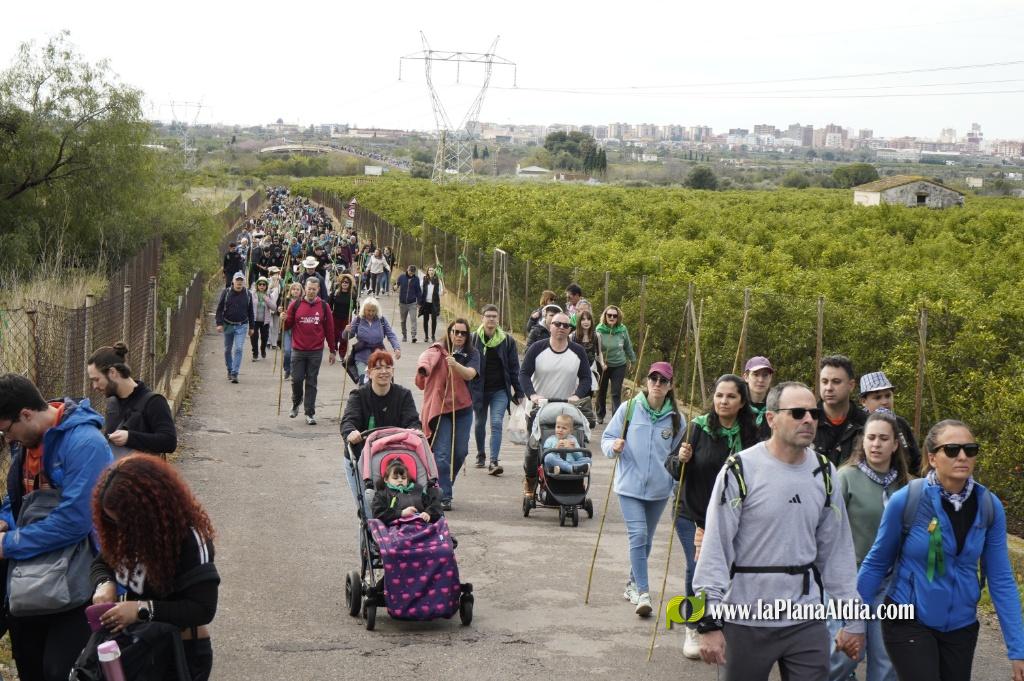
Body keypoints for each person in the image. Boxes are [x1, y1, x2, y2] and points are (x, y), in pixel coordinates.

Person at [692, 381, 865, 681]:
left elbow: (837, 552)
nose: (809, 420)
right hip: (745, 617)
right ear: (771, 419)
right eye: (798, 413)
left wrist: (853, 619)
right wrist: (708, 621)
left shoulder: (825, 473)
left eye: (813, 413)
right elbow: (715, 548)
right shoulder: (739, 470)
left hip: (805, 617)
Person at [857, 419, 1024, 681]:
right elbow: (876, 563)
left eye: (970, 449)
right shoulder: (907, 500)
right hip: (907, 619)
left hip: (962, 625)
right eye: (952, 449)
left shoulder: (989, 506)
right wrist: (854, 623)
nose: (962, 456)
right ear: (932, 458)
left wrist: (1018, 650)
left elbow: (1001, 578)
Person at [0, 373, 113, 681]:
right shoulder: (26, 441)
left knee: (60, 670)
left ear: (26, 414)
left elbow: (74, 521)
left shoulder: (86, 444)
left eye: (7, 430)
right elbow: (19, 498)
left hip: (77, 577)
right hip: (31, 573)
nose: (7, 439)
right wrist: (5, 519)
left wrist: (8, 543)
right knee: (29, 663)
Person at [91, 455, 220, 681]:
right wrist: (104, 583)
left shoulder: (189, 540)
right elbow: (103, 562)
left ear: (148, 513)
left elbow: (202, 608)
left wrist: (141, 610)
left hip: (177, 653)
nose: (120, 530)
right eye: (113, 522)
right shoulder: (125, 529)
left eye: (125, 523)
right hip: (136, 646)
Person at [667, 373, 758, 659]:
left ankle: (725, 625)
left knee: (731, 572)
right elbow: (672, 467)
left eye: (731, 396)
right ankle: (693, 626)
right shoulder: (697, 427)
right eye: (719, 395)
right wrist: (681, 459)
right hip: (693, 514)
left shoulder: (752, 433)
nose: (723, 401)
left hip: (735, 517)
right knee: (698, 569)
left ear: (742, 401)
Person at [827, 411, 911, 681]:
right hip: (850, 581)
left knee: (887, 661)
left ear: (895, 445)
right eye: (871, 437)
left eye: (883, 439)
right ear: (862, 441)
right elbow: (827, 530)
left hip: (891, 583)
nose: (876, 444)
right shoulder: (845, 477)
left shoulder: (906, 485)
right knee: (844, 655)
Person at [601, 361, 684, 617]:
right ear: (646, 381)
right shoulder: (629, 408)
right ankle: (644, 593)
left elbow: (676, 456)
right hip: (629, 486)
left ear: (670, 386)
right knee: (638, 535)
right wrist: (613, 446)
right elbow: (606, 438)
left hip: (659, 489)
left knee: (646, 541)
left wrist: (677, 478)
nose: (657, 384)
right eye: (653, 378)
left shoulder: (677, 419)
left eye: (663, 380)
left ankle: (631, 584)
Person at [520, 311, 593, 500]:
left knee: (569, 445)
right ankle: (530, 480)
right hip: (539, 408)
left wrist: (577, 395)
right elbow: (524, 374)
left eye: (565, 325)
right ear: (550, 326)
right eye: (557, 324)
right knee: (534, 448)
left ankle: (569, 483)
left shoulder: (577, 351)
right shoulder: (537, 348)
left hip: (565, 408)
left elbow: (586, 378)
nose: (561, 328)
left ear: (570, 330)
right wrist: (533, 395)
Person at [415, 318, 480, 511]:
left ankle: (443, 482)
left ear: (467, 336)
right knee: (442, 454)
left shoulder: (473, 353)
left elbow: (470, 374)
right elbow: (425, 360)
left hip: (463, 409)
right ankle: (444, 496)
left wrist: (455, 365)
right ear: (449, 332)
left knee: (460, 452)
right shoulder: (437, 350)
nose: (459, 336)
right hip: (441, 408)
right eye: (455, 332)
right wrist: (423, 370)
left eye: (463, 333)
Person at [87, 342, 177, 458]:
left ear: (112, 372)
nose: (94, 386)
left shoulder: (154, 402)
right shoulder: (112, 404)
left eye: (96, 379)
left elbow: (169, 442)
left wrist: (130, 437)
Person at [471, 304, 523, 475]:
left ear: (498, 319)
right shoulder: (473, 339)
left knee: (496, 423)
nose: (491, 319)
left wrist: (519, 391)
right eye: (488, 316)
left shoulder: (507, 341)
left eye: (494, 316)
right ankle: (481, 455)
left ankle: (494, 461)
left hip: (500, 390)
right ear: (482, 318)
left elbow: (514, 368)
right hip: (478, 390)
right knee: (479, 423)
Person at [283, 277, 336, 425]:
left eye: (314, 289)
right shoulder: (295, 305)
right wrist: (284, 319)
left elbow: (329, 330)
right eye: (309, 288)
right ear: (304, 288)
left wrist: (332, 350)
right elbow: (287, 326)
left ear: (318, 289)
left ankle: (309, 413)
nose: (311, 291)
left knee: (311, 381)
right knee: (296, 379)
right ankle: (296, 402)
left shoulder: (324, 306)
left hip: (315, 351)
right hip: (298, 349)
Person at [858, 371, 922, 475]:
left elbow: (916, 460)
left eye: (888, 396)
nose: (885, 402)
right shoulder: (858, 426)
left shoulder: (900, 423)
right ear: (863, 401)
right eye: (877, 397)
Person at [814, 354, 866, 466]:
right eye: (824, 381)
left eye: (836, 381)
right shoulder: (808, 420)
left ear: (851, 385)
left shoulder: (866, 424)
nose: (829, 388)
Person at [595, 305, 636, 424]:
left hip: (619, 365)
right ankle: (600, 414)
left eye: (615, 316)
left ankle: (616, 418)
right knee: (601, 391)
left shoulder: (622, 330)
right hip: (603, 365)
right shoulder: (599, 330)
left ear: (618, 317)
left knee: (616, 392)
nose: (612, 317)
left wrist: (633, 360)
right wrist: (599, 361)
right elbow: (595, 349)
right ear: (605, 316)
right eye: (609, 315)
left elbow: (628, 346)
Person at [371, 459, 442, 525]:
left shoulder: (417, 492)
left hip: (420, 525)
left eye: (403, 478)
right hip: (394, 528)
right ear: (386, 480)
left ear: (407, 480)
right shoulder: (382, 494)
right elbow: (378, 513)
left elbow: (434, 506)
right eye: (395, 478)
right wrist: (401, 513)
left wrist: (428, 513)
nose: (400, 480)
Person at [214, 272, 254, 384]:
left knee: (239, 348)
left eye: (241, 280)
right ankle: (229, 369)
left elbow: (251, 311)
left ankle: (235, 373)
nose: (239, 282)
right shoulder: (226, 292)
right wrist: (219, 323)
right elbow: (219, 309)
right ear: (233, 281)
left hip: (242, 325)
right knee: (227, 349)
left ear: (244, 282)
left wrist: (252, 327)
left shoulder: (248, 294)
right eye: (237, 280)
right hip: (228, 324)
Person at [346, 296, 402, 376]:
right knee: (364, 380)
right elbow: (347, 336)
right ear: (364, 310)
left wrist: (397, 348)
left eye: (373, 311)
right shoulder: (358, 320)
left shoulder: (382, 320)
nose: (371, 313)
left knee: (380, 378)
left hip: (379, 356)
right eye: (368, 310)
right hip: (362, 356)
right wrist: (346, 331)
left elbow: (391, 335)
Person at [742, 356, 774, 441]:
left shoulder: (776, 407)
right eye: (756, 374)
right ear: (746, 377)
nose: (760, 380)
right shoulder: (739, 405)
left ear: (770, 378)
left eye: (765, 375)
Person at [328, 273, 357, 359]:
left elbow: (356, 307)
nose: (344, 283)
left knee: (344, 337)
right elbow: (329, 304)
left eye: (347, 282)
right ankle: (334, 349)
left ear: (349, 284)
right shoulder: (335, 293)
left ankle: (342, 354)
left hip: (346, 319)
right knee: (335, 335)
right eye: (343, 282)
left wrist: (357, 308)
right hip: (335, 317)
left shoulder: (352, 295)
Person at [249, 276, 277, 361]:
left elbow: (274, 308)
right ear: (257, 285)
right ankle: (255, 354)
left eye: (264, 284)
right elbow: (248, 306)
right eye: (260, 284)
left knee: (264, 338)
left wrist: (266, 299)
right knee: (254, 337)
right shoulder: (252, 295)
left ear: (266, 286)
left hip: (265, 321)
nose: (262, 286)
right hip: (254, 320)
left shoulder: (269, 295)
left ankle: (263, 349)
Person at [279, 281, 302, 380]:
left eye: (297, 289)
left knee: (294, 352)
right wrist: (280, 312)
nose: (295, 291)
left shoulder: (303, 302)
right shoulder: (285, 300)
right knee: (287, 351)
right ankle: (287, 369)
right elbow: (280, 311)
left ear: (301, 291)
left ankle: (293, 371)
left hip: (298, 330)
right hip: (287, 329)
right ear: (290, 290)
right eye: (293, 289)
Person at [396, 265, 422, 343]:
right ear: (407, 270)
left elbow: (418, 291)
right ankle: (404, 336)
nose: (411, 273)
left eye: (413, 272)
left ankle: (413, 336)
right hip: (402, 303)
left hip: (412, 303)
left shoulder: (416, 279)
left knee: (413, 319)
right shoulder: (402, 277)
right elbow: (396, 284)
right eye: (410, 271)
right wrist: (395, 287)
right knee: (403, 320)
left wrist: (419, 302)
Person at [418, 266, 444, 342]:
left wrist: (443, 292)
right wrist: (420, 300)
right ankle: (426, 336)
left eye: (432, 270)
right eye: (430, 270)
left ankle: (433, 336)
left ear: (434, 272)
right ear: (428, 271)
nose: (431, 271)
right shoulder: (424, 279)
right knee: (425, 319)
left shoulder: (438, 280)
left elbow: (440, 292)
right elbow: (420, 289)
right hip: (426, 303)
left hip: (434, 303)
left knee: (434, 319)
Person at [266, 266, 283, 349]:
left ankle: (274, 343)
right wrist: (270, 286)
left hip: (277, 307)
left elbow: (282, 295)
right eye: (274, 273)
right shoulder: (266, 282)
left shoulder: (280, 284)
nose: (276, 275)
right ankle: (268, 342)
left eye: (277, 273)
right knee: (270, 325)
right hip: (268, 307)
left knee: (276, 326)